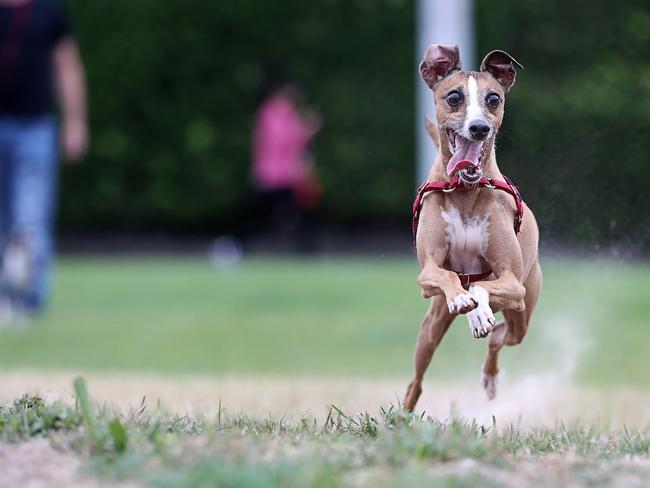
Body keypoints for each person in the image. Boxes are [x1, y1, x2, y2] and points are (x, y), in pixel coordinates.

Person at [0, 0, 88, 320]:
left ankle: (29, 298)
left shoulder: (48, 11)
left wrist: (75, 120)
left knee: (30, 218)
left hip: (34, 127)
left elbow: (67, 64)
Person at [251, 82, 321, 252]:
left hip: (288, 176)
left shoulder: (289, 115)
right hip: (270, 175)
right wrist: (306, 128)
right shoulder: (270, 114)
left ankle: (305, 249)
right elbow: (279, 141)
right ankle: (244, 247)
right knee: (258, 216)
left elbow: (296, 144)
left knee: (301, 212)